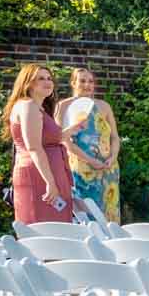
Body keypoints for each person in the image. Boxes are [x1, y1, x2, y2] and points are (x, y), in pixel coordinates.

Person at [2, 64, 78, 225]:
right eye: (41, 78)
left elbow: (47, 140)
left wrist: (71, 130)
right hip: (39, 175)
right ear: (27, 83)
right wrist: (50, 182)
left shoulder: (38, 108)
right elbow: (34, 147)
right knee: (43, 226)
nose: (47, 82)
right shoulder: (28, 106)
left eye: (49, 78)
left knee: (58, 226)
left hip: (51, 172)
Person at [55, 67, 121, 221]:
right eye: (82, 81)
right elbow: (63, 140)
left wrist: (113, 157)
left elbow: (115, 137)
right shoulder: (63, 106)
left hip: (108, 168)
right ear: (73, 83)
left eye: (90, 81)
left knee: (109, 216)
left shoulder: (104, 106)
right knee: (85, 215)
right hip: (81, 170)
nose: (87, 85)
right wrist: (91, 161)